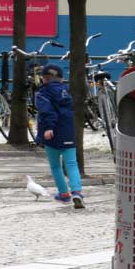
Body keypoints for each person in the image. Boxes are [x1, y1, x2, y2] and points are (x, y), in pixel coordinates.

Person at [35, 64, 84, 209]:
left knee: (56, 166)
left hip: (52, 134)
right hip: (68, 132)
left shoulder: (42, 93)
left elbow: (47, 111)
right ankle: (76, 192)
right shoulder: (66, 92)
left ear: (43, 79)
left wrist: (48, 128)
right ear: (61, 79)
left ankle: (63, 193)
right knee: (72, 165)